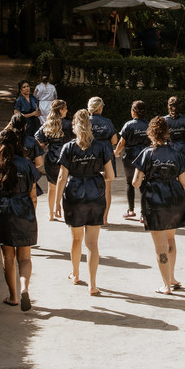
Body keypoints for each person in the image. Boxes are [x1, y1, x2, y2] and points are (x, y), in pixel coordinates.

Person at [132, 115, 185, 295]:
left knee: (160, 246)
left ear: (151, 133)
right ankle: (172, 277)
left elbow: (135, 183)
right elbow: (184, 182)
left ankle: (166, 285)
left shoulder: (146, 153)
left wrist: (146, 176)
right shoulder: (176, 153)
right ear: (167, 132)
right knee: (170, 239)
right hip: (175, 199)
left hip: (155, 201)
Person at [56, 109, 114, 296]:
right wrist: (95, 173)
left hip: (74, 193)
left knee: (76, 239)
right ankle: (93, 284)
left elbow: (61, 178)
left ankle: (75, 274)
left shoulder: (68, 148)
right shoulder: (101, 147)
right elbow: (111, 175)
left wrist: (56, 203)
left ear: (74, 127)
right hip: (95, 193)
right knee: (92, 243)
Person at [0, 128, 40, 311]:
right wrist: (31, 213)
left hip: (4, 212)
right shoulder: (27, 164)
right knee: (25, 257)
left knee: (8, 257)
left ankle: (13, 296)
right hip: (24, 210)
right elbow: (34, 194)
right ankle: (24, 288)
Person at [35, 100, 71, 221]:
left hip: (51, 157)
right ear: (61, 110)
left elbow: (38, 140)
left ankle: (51, 214)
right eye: (65, 108)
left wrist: (45, 145)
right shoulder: (69, 125)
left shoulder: (47, 125)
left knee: (52, 187)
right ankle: (67, 213)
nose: (66, 111)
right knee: (66, 185)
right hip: (66, 157)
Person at [115, 100, 151, 220]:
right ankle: (144, 214)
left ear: (134, 112)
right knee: (144, 184)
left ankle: (130, 210)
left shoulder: (128, 125)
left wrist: (116, 152)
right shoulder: (149, 125)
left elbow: (121, 142)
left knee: (129, 182)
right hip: (145, 157)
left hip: (130, 157)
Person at [88, 96, 118, 175]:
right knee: (107, 179)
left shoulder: (85, 122)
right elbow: (114, 141)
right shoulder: (107, 121)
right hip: (106, 151)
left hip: (89, 152)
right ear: (100, 107)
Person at [163, 96, 185, 167]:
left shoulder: (164, 120)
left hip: (169, 148)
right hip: (183, 148)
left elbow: (162, 135)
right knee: (182, 170)